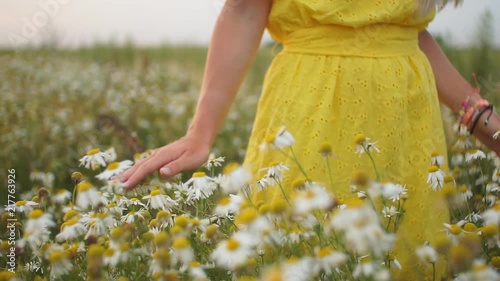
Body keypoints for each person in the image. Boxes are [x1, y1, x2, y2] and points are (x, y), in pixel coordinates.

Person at [119, 0, 500, 279]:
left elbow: (402, 30)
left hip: (408, 126)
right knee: (305, 253)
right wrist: (200, 130)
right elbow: (245, 8)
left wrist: (483, 120)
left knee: (404, 259)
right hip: (311, 115)